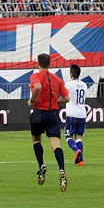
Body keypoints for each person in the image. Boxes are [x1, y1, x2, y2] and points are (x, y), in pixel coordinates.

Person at [28, 53, 71, 192]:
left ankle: (41, 166)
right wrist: (54, 101)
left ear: (38, 63)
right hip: (53, 114)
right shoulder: (57, 79)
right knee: (56, 145)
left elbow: (38, 87)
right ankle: (62, 170)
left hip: (39, 113)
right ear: (50, 63)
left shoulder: (35, 76)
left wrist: (32, 100)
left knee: (36, 140)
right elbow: (67, 98)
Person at [64, 64, 87, 166]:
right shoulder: (84, 85)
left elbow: (64, 95)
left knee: (68, 137)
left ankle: (77, 150)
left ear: (71, 74)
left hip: (72, 114)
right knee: (78, 137)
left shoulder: (68, 85)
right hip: (82, 114)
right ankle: (80, 160)